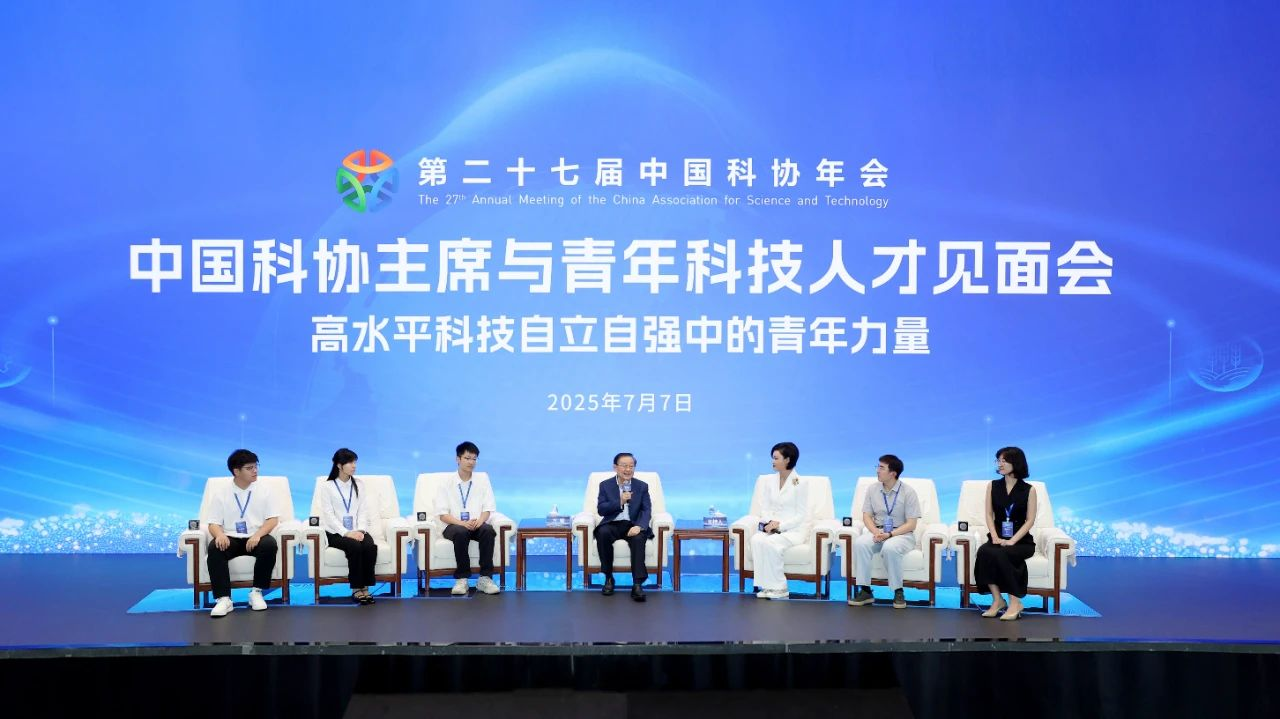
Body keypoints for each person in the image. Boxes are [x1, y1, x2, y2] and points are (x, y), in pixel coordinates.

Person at [205, 449, 279, 617]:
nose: (255, 471)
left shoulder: (265, 490)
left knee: (269, 545)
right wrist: (219, 535)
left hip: (256, 536)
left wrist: (258, 535)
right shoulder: (221, 493)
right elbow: (213, 523)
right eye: (249, 468)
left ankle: (256, 592)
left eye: (256, 466)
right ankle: (224, 599)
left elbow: (272, 520)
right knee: (215, 548)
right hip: (230, 537)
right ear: (236, 471)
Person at [974, 446, 1038, 621]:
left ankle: (1015, 603)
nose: (1000, 464)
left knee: (1004, 554)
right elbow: (989, 514)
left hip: (1021, 541)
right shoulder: (993, 486)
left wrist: (1012, 541)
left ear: (1016, 463)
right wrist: (994, 536)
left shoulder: (1029, 490)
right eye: (999, 460)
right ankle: (997, 600)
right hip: (998, 536)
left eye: (1004, 460)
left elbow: (1030, 520)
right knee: (984, 552)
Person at [848, 454, 921, 609]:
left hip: (901, 534)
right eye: (878, 466)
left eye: (881, 468)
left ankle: (898, 591)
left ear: (893, 473)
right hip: (878, 531)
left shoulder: (908, 492)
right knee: (861, 543)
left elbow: (912, 524)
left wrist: (890, 534)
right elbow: (866, 515)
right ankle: (865, 591)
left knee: (890, 547)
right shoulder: (872, 489)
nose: (877, 470)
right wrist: (875, 532)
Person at [435, 441, 500, 596]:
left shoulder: (482, 479)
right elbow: (443, 514)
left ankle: (485, 578)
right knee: (461, 532)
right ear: (458, 459)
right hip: (453, 525)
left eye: (474, 459)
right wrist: (462, 523)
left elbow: (488, 508)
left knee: (488, 530)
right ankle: (462, 579)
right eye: (467, 458)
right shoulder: (446, 482)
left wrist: (480, 521)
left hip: (476, 523)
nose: (471, 462)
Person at [749, 442, 810, 600]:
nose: (773, 461)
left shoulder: (800, 482)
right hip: (772, 526)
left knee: (771, 543)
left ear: (787, 460)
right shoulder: (769, 481)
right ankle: (765, 585)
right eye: (773, 458)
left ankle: (780, 587)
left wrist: (781, 526)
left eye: (776, 458)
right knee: (756, 540)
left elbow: (801, 515)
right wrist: (770, 522)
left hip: (793, 530)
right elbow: (765, 507)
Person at [320, 448, 379, 605]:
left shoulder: (359, 484)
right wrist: (347, 533)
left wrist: (360, 530)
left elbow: (363, 510)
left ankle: (365, 587)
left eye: (355, 462)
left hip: (357, 530)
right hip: (336, 533)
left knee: (369, 546)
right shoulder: (327, 487)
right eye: (350, 462)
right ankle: (356, 588)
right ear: (339, 465)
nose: (354, 466)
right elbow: (329, 516)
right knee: (355, 547)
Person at [594, 452, 652, 601]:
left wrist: (640, 526)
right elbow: (601, 509)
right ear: (615, 467)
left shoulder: (642, 486)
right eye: (624, 466)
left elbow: (646, 510)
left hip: (632, 525)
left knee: (638, 538)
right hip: (612, 524)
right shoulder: (605, 485)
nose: (628, 469)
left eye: (631, 466)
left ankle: (637, 584)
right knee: (602, 533)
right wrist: (620, 501)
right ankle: (608, 578)